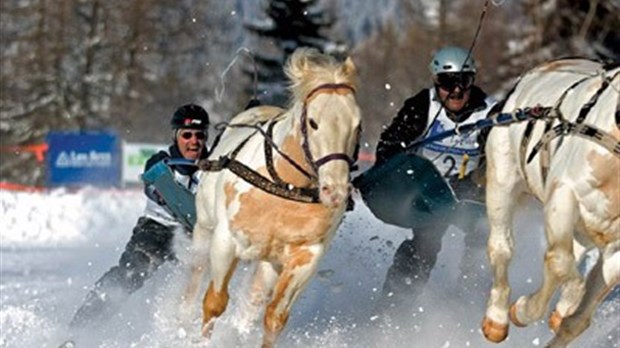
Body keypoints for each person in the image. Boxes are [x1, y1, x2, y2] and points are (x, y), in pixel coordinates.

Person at [374, 46, 497, 315]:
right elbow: (388, 145)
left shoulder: (488, 113)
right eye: (446, 82)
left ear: (472, 81)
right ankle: (394, 308)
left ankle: (468, 300)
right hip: (428, 190)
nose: (455, 91)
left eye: (462, 82)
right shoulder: (421, 106)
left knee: (485, 234)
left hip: (468, 190)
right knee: (425, 243)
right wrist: (397, 166)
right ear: (435, 81)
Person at [68, 103, 210, 330]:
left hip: (195, 237)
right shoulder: (160, 162)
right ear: (176, 136)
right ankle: (81, 328)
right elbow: (156, 186)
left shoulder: (215, 169)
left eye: (200, 135)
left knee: (205, 283)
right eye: (187, 135)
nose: (194, 141)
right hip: (156, 229)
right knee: (132, 272)